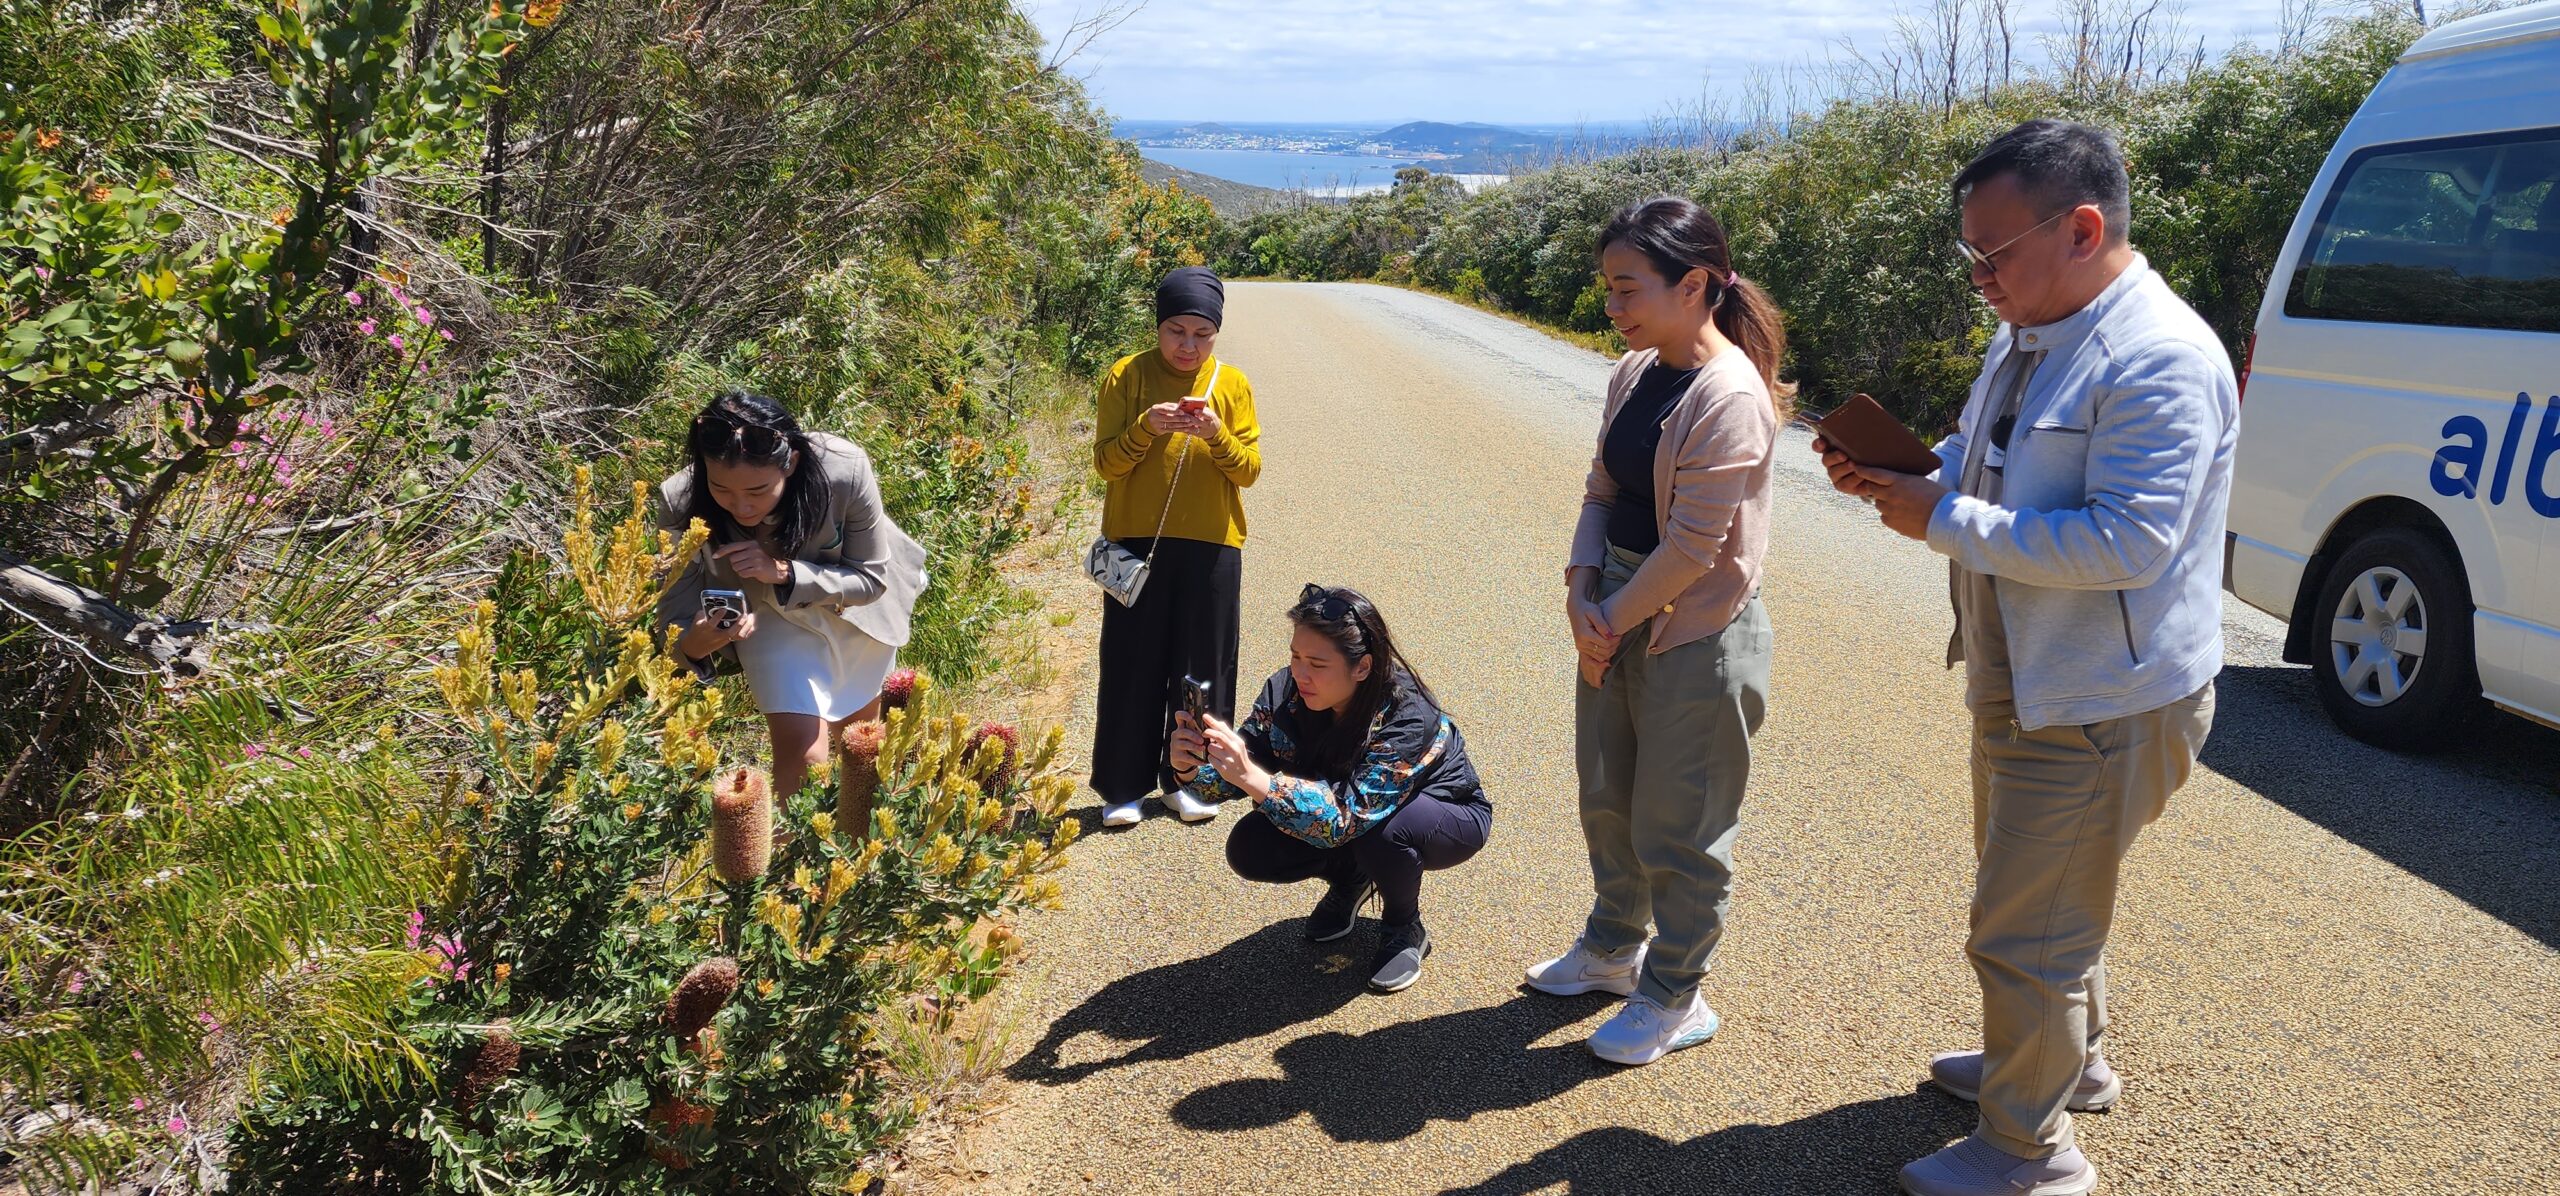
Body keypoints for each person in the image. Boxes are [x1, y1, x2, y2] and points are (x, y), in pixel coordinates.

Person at [1816, 120, 2235, 1196]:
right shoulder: (2036, 323)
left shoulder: (2157, 357)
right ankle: (2063, 1064)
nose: (1977, 279)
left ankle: (2026, 1151)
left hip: (2102, 695)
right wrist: (1905, 471)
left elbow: (2128, 541)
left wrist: (1942, 517)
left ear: (2082, 227)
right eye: (1970, 255)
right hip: (2025, 668)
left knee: (2024, 929)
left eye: (1990, 254)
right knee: (2048, 902)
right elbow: (1979, 447)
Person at [1524, 195, 1790, 1067]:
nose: (1614, 307)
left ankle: (1676, 992)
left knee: (1680, 824)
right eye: (1608, 288)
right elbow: (1601, 491)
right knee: (1607, 794)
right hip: (1615, 607)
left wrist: (1606, 618)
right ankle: (1611, 947)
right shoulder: (1635, 373)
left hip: (1697, 630)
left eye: (1628, 288)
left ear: (1697, 285)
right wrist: (1579, 591)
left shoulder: (1733, 396)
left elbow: (1694, 548)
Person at [1174, 584, 1490, 993]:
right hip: (1350, 811)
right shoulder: (1285, 691)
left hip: (1447, 816)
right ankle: (1352, 880)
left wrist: (1253, 778)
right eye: (1295, 656)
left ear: (1362, 668)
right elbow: (1246, 762)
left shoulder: (1408, 717)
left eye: (1317, 664)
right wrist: (1190, 769)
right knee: (1251, 847)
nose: (1300, 674)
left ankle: (1403, 926)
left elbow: (1345, 818)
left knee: (1383, 833)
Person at [655, 391, 928, 802]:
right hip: (768, 620)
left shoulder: (843, 468)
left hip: (852, 610)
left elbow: (870, 579)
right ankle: (795, 861)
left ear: (792, 463)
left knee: (861, 747)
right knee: (803, 754)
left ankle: (857, 856)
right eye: (721, 489)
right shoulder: (678, 500)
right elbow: (673, 616)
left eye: (758, 489)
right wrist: (699, 641)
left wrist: (784, 571)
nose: (740, 505)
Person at [1090, 266, 1263, 829]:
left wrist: (1216, 435)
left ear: (1216, 333)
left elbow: (1249, 472)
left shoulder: (1231, 385)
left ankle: (1192, 781)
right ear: (1158, 325)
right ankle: (1122, 787)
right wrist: (1146, 427)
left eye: (1201, 335)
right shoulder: (1126, 375)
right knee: (1130, 662)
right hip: (1135, 542)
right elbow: (1107, 463)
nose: (1187, 346)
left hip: (1212, 545)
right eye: (1176, 331)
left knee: (1202, 671)